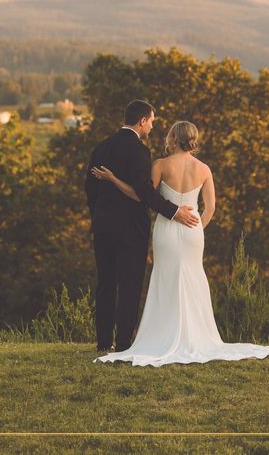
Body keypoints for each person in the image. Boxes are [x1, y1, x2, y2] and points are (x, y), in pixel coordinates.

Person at [91, 119, 269, 366]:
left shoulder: (160, 164)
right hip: (193, 231)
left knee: (166, 277)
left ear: (172, 138)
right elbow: (211, 207)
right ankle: (196, 336)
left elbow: (142, 196)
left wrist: (114, 179)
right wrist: (197, 230)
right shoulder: (204, 169)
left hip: (166, 230)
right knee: (193, 277)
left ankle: (161, 335)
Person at [84, 100, 200, 353]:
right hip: (130, 230)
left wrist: (99, 217)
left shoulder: (101, 147)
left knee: (105, 284)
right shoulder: (138, 151)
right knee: (129, 285)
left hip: (102, 227)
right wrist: (174, 212)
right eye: (152, 122)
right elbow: (144, 193)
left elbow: (89, 189)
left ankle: (103, 342)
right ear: (142, 121)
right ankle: (124, 343)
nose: (152, 127)